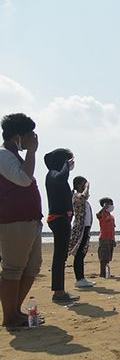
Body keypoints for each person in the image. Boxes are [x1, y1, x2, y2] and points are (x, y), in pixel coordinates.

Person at [0, 113, 45, 327]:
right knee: (13, 268)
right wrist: (33, 153)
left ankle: (15, 311)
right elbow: (24, 179)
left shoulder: (13, 155)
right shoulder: (3, 155)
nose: (34, 139)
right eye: (30, 135)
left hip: (29, 220)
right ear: (19, 136)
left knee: (32, 266)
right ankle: (9, 316)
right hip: (14, 220)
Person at [45, 147, 80, 303]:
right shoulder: (53, 174)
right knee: (59, 257)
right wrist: (66, 164)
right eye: (69, 161)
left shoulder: (56, 176)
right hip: (58, 219)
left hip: (61, 219)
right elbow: (61, 177)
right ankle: (58, 292)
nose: (71, 165)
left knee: (61, 256)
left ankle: (60, 290)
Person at [68, 176, 95, 288]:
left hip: (85, 228)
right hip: (80, 229)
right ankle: (79, 279)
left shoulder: (82, 198)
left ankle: (82, 278)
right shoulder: (76, 196)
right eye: (84, 184)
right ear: (79, 185)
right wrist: (87, 187)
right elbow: (83, 196)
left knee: (82, 253)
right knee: (79, 254)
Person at [96, 197, 116, 277]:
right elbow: (98, 215)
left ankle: (106, 273)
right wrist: (103, 208)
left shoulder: (111, 216)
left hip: (110, 238)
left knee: (108, 257)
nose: (112, 206)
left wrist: (113, 239)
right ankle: (102, 273)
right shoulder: (103, 214)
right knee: (103, 258)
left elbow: (113, 229)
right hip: (104, 238)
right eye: (110, 204)